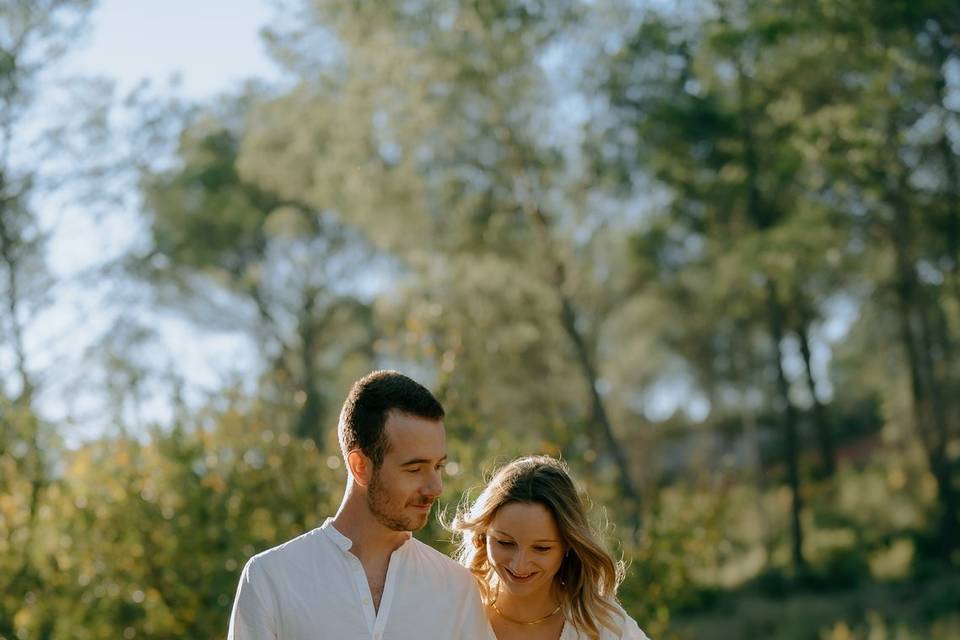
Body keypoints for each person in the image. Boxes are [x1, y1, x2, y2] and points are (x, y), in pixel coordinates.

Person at [228, 370, 495, 640]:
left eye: (438, 466)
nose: (435, 487)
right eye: (415, 469)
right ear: (360, 466)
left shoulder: (457, 588)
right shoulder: (271, 578)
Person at [451, 456, 650, 640]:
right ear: (482, 536)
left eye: (541, 548)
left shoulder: (607, 627)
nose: (519, 565)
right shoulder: (454, 616)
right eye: (505, 543)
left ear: (568, 546)